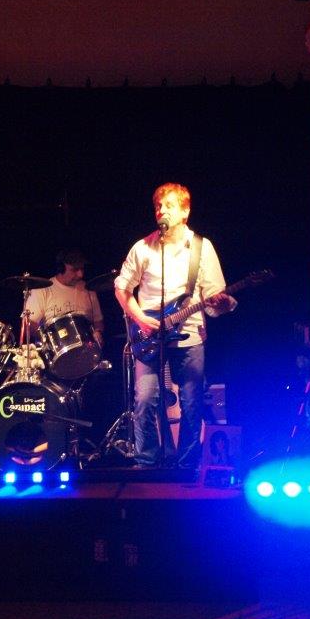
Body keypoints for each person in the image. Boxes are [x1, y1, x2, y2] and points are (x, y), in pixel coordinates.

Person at [114, 182, 235, 469]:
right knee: (145, 399)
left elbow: (213, 297)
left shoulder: (202, 248)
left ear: (185, 211)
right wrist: (140, 318)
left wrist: (221, 303)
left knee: (192, 403)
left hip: (189, 334)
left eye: (168, 205)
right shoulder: (142, 248)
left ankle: (187, 464)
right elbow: (122, 288)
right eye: (158, 206)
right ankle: (146, 462)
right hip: (148, 335)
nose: (161, 211)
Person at [25, 248, 104, 348]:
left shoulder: (89, 289)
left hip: (87, 348)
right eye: (74, 270)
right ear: (61, 268)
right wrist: (48, 341)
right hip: (55, 350)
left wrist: (98, 332)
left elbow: (98, 321)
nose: (80, 274)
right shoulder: (42, 290)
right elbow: (29, 324)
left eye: (82, 269)